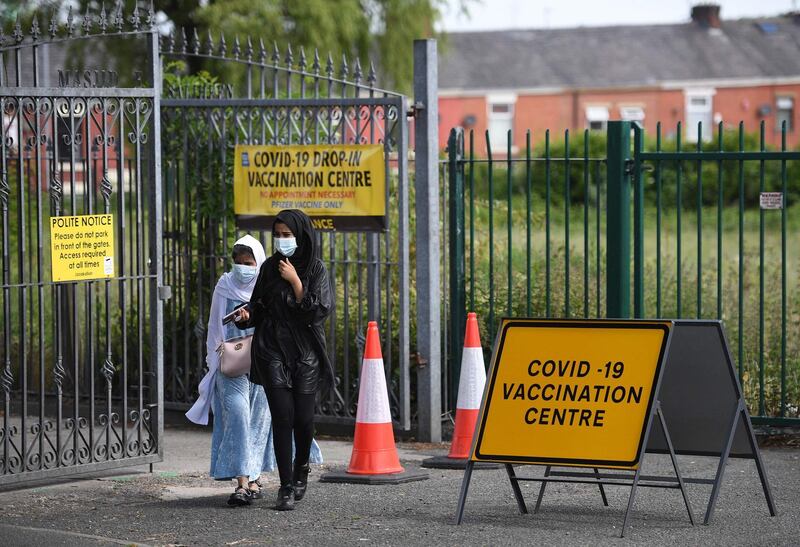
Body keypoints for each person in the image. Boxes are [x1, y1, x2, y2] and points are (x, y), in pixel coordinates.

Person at [186, 234, 322, 506]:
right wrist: (213, 360)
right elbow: (214, 326)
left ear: (258, 262)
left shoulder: (269, 285)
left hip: (263, 361)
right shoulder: (224, 285)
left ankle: (256, 478)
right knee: (237, 415)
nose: (242, 267)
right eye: (238, 262)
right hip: (231, 365)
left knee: (260, 422)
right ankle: (241, 483)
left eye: (248, 262)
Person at [237, 209, 333, 511]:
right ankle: (286, 485)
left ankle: (301, 467)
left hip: (305, 354)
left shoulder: (316, 269)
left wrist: (295, 282)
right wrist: (247, 315)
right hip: (272, 350)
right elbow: (259, 304)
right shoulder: (268, 268)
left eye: (287, 234)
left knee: (303, 421)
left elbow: (318, 312)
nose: (282, 240)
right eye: (277, 234)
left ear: (300, 235)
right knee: (282, 418)